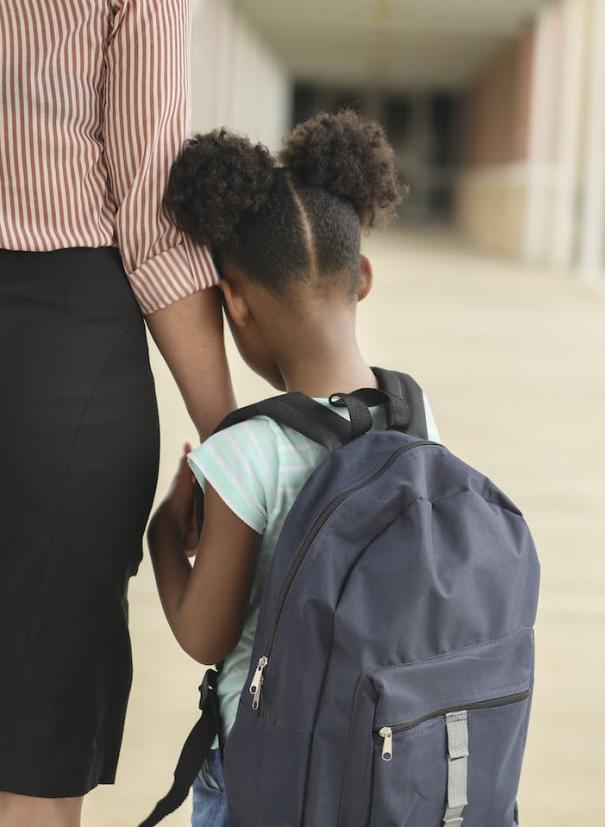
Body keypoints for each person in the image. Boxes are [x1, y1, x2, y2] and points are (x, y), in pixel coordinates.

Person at [0, 3, 235, 825]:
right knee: (24, 770)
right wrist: (238, 449)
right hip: (58, 362)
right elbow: (154, 212)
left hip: (54, 356)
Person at [145, 110, 434, 827]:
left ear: (233, 304)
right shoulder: (416, 418)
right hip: (386, 761)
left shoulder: (249, 450)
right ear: (361, 276)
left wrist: (159, 537)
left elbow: (203, 635)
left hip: (267, 775)